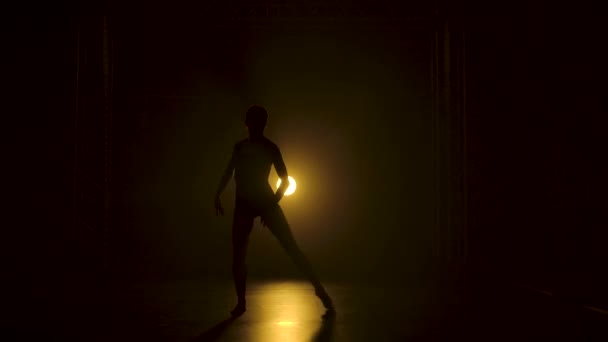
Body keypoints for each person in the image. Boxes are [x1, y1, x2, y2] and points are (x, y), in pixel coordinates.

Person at [214, 105, 334, 317]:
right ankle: (241, 302)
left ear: (259, 124)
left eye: (256, 122)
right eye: (252, 121)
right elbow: (229, 171)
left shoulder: (268, 148)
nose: (253, 125)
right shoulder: (242, 147)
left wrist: (271, 202)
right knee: (239, 256)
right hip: (247, 203)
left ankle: (320, 291)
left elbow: (285, 180)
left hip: (260, 201)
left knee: (290, 248)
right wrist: (218, 193)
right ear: (248, 123)